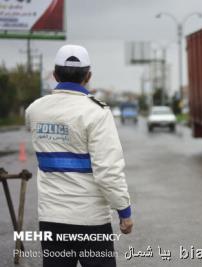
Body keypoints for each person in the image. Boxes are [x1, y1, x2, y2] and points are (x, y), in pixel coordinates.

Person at [25, 44, 133, 267]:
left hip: (51, 219)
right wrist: (124, 211)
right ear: (88, 76)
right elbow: (108, 172)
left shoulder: (35, 110)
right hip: (91, 221)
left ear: (55, 75)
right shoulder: (97, 112)